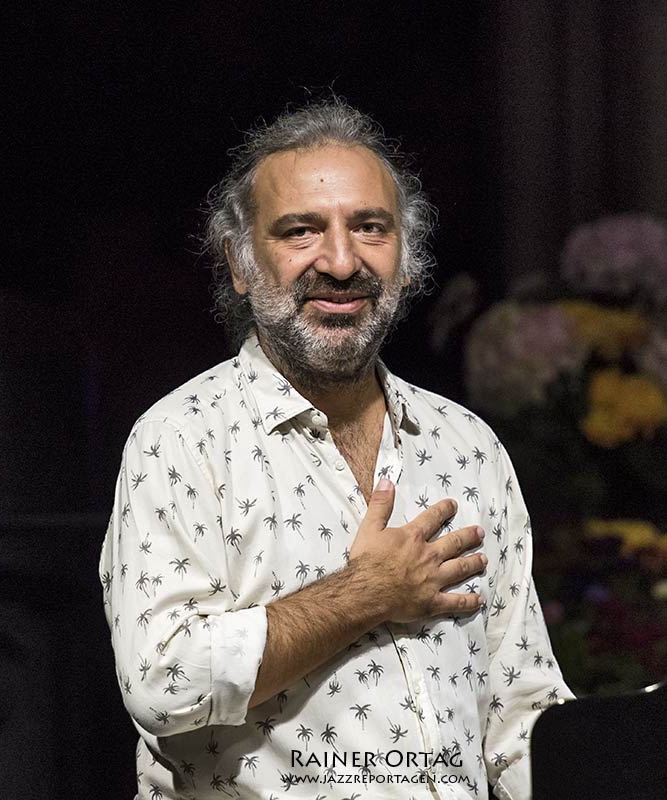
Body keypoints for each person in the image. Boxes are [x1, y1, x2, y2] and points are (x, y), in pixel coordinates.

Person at [99, 99, 572, 800]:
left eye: (370, 228)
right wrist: (365, 594)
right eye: (301, 230)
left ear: (405, 258)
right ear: (240, 262)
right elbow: (162, 682)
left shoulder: (467, 444)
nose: (342, 261)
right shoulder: (182, 438)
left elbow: (520, 710)